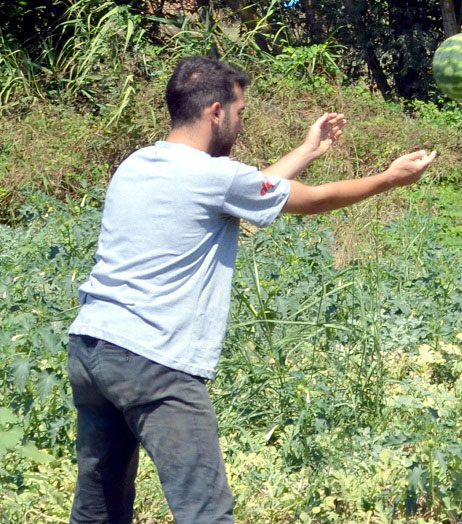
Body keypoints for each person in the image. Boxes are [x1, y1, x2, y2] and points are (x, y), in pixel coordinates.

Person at [65, 55, 436, 524]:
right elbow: (313, 200)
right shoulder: (213, 176)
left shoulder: (137, 163)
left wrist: (307, 151)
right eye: (240, 113)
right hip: (155, 361)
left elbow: (247, 188)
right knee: (205, 512)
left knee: (98, 505)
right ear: (215, 112)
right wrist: (389, 179)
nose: (240, 124)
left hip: (92, 349)